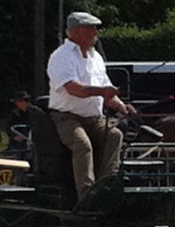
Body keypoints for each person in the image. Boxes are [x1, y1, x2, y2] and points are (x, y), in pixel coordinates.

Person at [47, 11, 136, 199]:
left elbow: (107, 90)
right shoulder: (61, 56)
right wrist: (103, 92)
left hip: (95, 118)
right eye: (91, 28)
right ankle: (87, 195)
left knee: (114, 135)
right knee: (82, 144)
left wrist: (122, 107)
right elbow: (74, 89)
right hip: (67, 118)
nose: (95, 32)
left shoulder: (96, 58)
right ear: (76, 31)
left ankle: (106, 185)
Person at [6, 90, 33, 160]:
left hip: (31, 141)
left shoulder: (34, 113)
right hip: (17, 142)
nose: (17, 104)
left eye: (18, 102)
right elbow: (8, 127)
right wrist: (14, 136)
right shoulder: (15, 114)